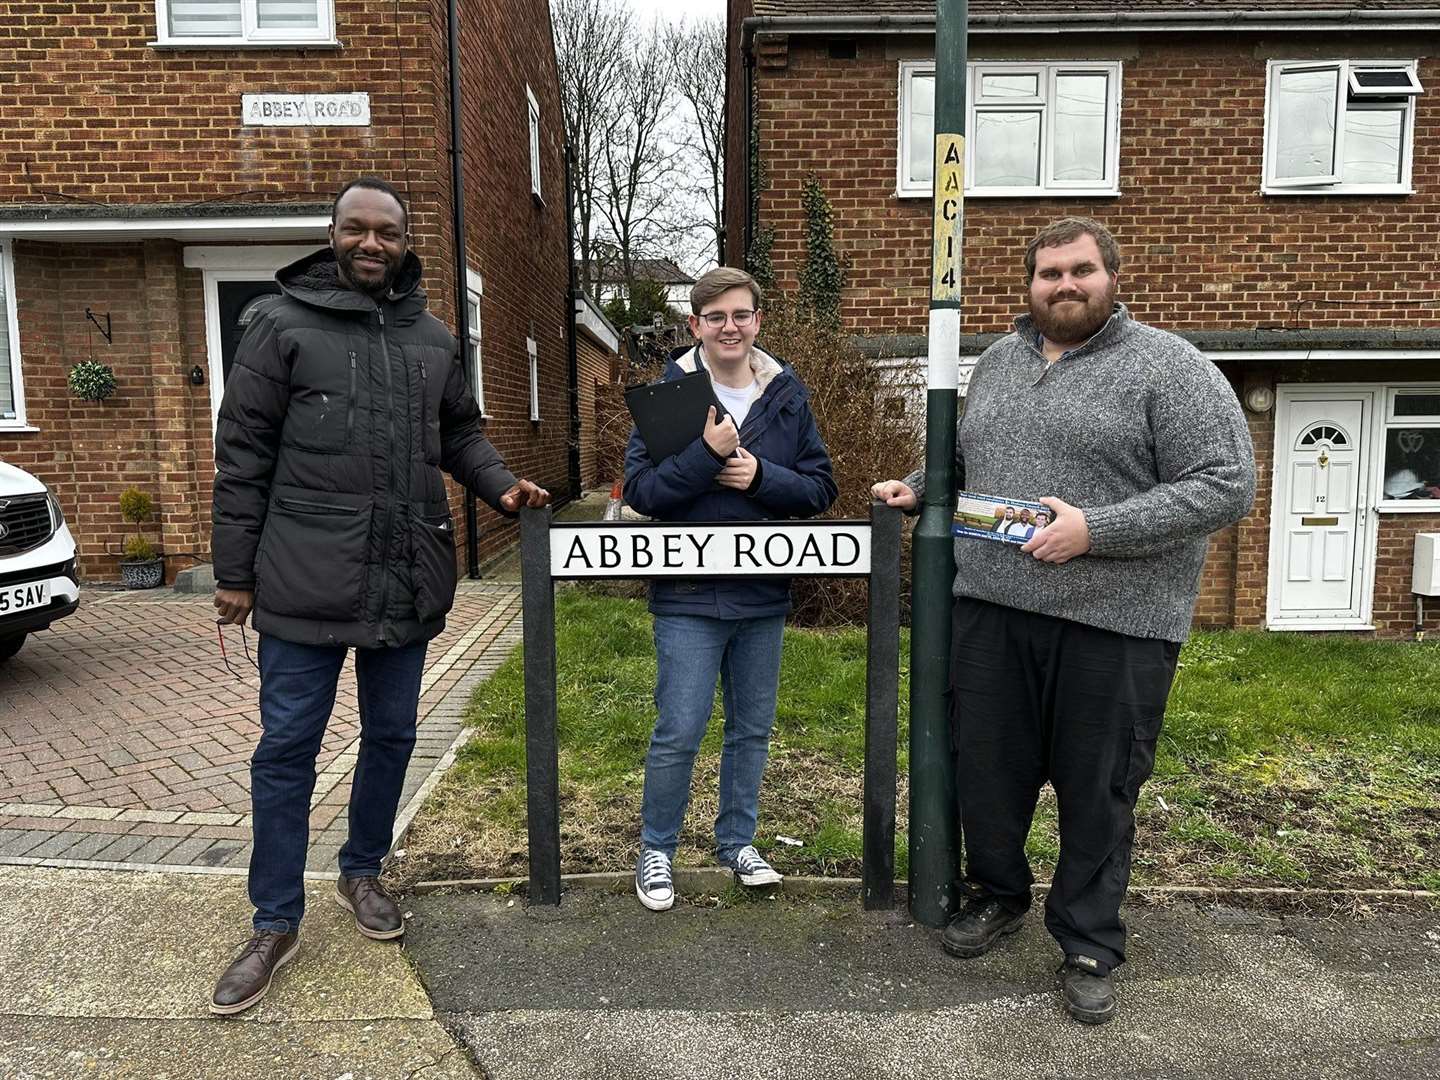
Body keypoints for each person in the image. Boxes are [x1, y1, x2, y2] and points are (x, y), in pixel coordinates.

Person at [872, 217, 1254, 1025]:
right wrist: (920, 482)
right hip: (994, 610)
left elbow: (1225, 484)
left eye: (1081, 270)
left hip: (1116, 624)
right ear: (1030, 284)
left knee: (1097, 791)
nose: (1065, 285)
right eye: (1050, 273)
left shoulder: (1170, 369)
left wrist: (1096, 530)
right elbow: (977, 458)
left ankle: (1087, 940)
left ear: (1112, 277)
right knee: (988, 773)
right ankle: (999, 894)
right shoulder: (1002, 363)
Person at [208, 177, 550, 1016]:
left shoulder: (433, 336)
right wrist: (234, 574)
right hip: (301, 580)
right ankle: (272, 920)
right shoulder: (276, 326)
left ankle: (361, 873)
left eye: (386, 232)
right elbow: (242, 452)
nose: (371, 243)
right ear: (332, 235)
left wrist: (503, 488)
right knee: (287, 750)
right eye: (356, 229)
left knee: (393, 736)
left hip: (406, 574)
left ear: (405, 242)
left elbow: (459, 432)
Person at [623, 266, 837, 912]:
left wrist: (759, 475)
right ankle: (656, 851)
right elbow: (641, 491)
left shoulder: (786, 396)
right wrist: (708, 455)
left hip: (761, 596)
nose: (730, 327)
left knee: (751, 730)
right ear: (695, 326)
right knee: (680, 728)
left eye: (741, 315)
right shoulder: (670, 397)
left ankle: (737, 842)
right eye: (715, 317)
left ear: (757, 322)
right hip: (687, 596)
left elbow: (819, 487)